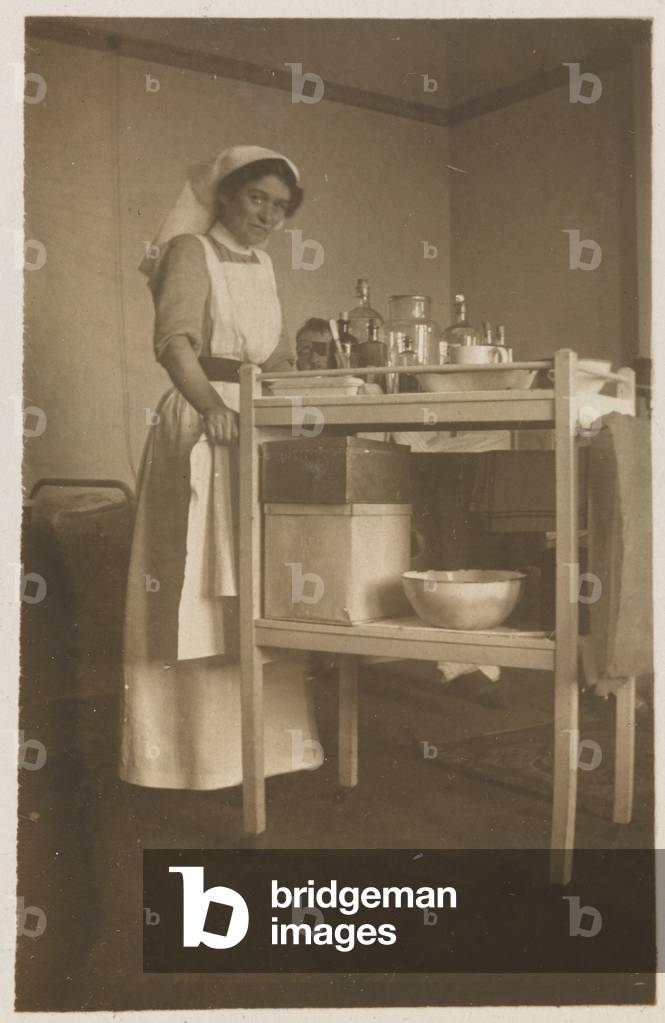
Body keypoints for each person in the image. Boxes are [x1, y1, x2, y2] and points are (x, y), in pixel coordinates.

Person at [120, 145, 320, 790]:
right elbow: (174, 343)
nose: (266, 216)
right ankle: (189, 758)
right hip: (204, 416)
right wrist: (211, 407)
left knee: (257, 578)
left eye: (280, 208)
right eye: (257, 198)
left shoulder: (262, 264)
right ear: (226, 195)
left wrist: (306, 402)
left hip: (253, 418)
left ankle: (270, 751)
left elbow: (277, 355)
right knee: (197, 578)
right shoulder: (189, 250)